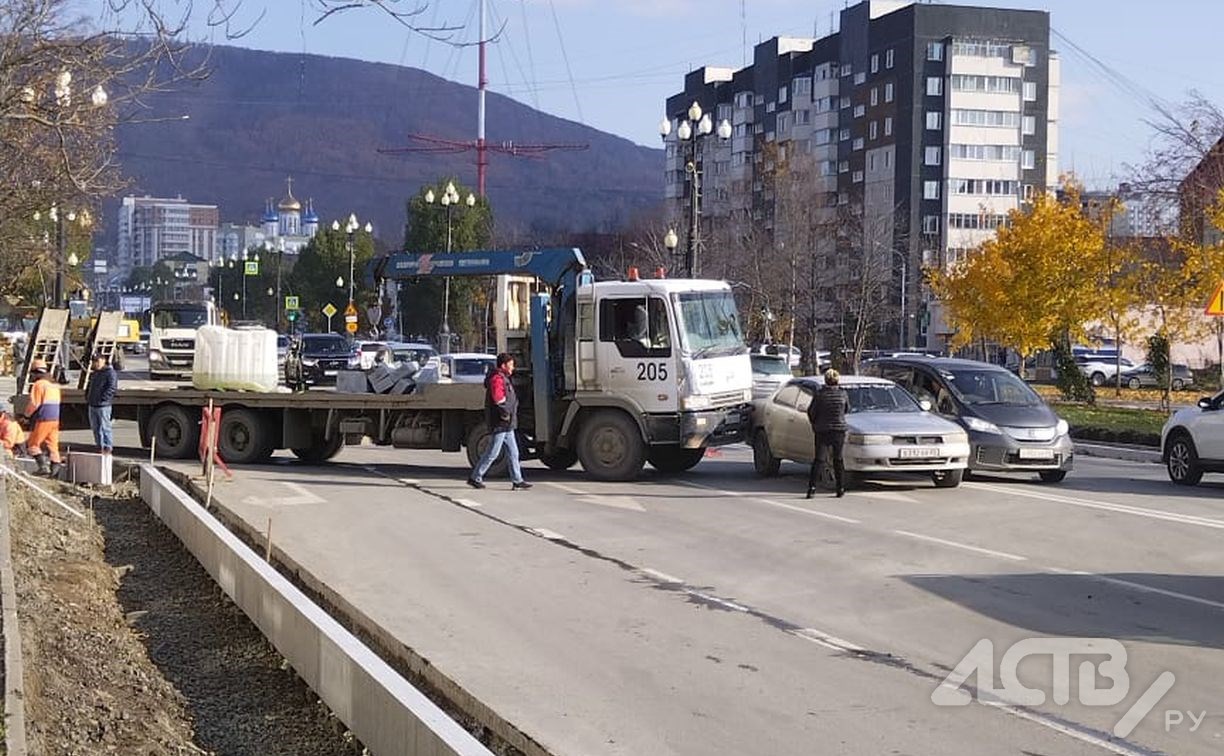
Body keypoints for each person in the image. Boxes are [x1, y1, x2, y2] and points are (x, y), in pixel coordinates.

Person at [467, 353, 531, 491]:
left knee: (514, 453)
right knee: (493, 453)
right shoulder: (497, 379)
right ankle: (475, 477)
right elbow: (499, 400)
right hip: (501, 423)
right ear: (503, 365)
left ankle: (517, 480)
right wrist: (506, 413)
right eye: (511, 365)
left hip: (506, 423)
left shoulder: (503, 378)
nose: (513, 368)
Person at [806, 368, 848, 499]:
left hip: (822, 430)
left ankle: (812, 489)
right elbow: (847, 409)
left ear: (825, 380)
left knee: (819, 459)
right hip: (839, 430)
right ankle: (840, 488)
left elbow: (811, 412)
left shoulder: (819, 395)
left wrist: (815, 423)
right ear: (837, 381)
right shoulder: (843, 394)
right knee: (838, 459)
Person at [23, 358, 62, 476]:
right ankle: (55, 472)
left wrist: (26, 416)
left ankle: (43, 468)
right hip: (55, 419)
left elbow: (34, 404)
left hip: (44, 418)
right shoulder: (54, 385)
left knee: (32, 444)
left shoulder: (39, 385)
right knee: (53, 445)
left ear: (36, 373)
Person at [85, 351, 118, 454]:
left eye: (97, 361)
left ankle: (108, 446)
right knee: (95, 427)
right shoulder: (95, 373)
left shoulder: (110, 373)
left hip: (103, 405)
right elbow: (89, 386)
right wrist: (88, 397)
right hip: (92, 404)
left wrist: (103, 398)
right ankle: (99, 446)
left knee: (105, 427)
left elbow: (112, 388)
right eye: (94, 361)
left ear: (103, 360)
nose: (96, 363)